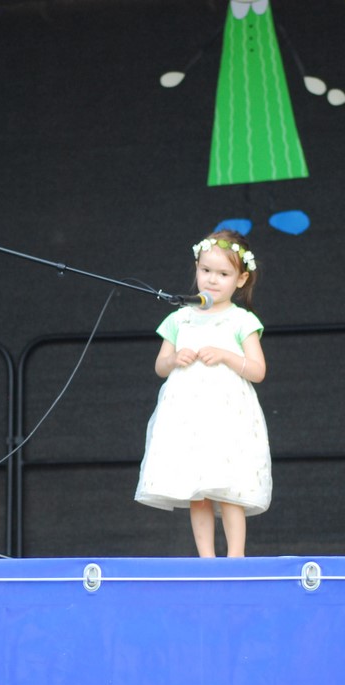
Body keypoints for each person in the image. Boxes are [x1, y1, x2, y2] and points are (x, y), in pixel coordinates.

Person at [135, 230, 272, 557]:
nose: (212, 279)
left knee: (229, 488)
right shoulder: (179, 318)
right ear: (196, 268)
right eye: (206, 270)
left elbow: (258, 370)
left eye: (223, 274)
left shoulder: (241, 320)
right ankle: (206, 559)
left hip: (227, 416)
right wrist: (174, 359)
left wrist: (226, 355)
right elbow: (160, 366)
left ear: (241, 279)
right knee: (198, 489)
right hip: (188, 416)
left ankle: (236, 557)